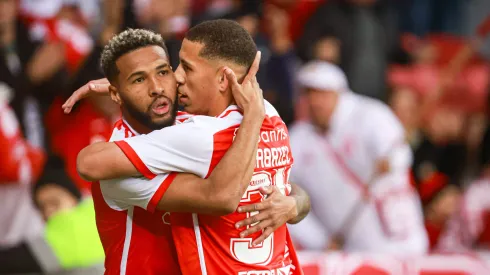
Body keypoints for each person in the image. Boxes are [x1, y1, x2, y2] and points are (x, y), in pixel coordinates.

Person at [64, 23, 308, 274]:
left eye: (182, 69)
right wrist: (294, 203)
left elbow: (222, 197)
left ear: (224, 79)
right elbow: (286, 188)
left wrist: (293, 203)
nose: (177, 77)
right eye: (140, 79)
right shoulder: (269, 114)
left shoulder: (198, 135)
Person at [287, 60, 428, 255]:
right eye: (309, 93)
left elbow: (398, 152)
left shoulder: (371, 113)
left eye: (322, 93)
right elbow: (286, 199)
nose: (315, 101)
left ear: (340, 93)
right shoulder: (297, 138)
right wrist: (318, 241)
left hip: (398, 236)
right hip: (348, 248)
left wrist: (390, 162)